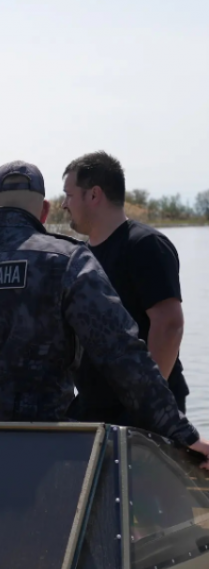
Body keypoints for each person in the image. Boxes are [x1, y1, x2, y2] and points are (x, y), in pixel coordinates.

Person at [0, 160, 209, 517]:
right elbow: (122, 353)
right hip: (44, 455)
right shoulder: (67, 261)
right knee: (45, 561)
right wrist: (179, 431)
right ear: (44, 211)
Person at [62, 151, 189, 420]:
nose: (64, 204)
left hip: (143, 413)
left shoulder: (144, 245)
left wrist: (147, 404)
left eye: (69, 195)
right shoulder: (78, 256)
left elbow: (169, 324)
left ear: (94, 195)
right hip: (92, 407)